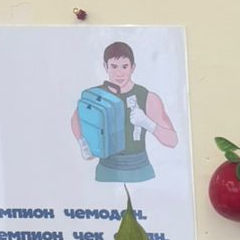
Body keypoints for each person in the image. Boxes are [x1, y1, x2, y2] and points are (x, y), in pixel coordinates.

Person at [71, 41, 178, 185]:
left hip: (140, 171)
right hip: (106, 171)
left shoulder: (147, 97)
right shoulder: (96, 95)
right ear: (105, 66)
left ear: (133, 67)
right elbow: (76, 119)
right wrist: (83, 143)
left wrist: (148, 124)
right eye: (114, 66)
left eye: (124, 66)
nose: (119, 73)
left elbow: (172, 141)